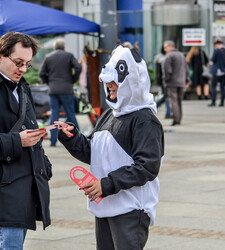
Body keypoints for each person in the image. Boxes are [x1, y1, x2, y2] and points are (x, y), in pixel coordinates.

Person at [55, 45, 164, 250]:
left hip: (130, 208)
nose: (109, 86)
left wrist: (106, 184)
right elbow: (96, 155)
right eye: (107, 81)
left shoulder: (144, 120)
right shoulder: (110, 114)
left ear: (131, 81)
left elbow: (147, 166)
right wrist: (71, 138)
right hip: (105, 205)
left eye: (115, 81)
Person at [0, 32, 52, 249]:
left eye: (28, 64)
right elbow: (18, 137)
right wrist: (17, 141)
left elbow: (26, 128)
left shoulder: (23, 88)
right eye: (18, 62)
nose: (22, 69)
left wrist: (44, 164)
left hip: (23, 188)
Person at [39, 38, 82, 146]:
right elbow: (78, 67)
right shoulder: (69, 56)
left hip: (53, 90)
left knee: (54, 115)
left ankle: (53, 141)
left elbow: (41, 73)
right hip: (67, 90)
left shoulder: (48, 57)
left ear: (54, 48)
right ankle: (77, 139)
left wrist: (49, 82)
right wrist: (73, 79)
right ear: (64, 47)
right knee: (70, 114)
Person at [162, 40, 190, 126]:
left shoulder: (169, 56)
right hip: (181, 82)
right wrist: (187, 80)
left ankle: (176, 119)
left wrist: (165, 80)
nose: (164, 49)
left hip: (172, 82)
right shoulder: (181, 55)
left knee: (173, 101)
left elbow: (168, 71)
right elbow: (186, 69)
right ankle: (179, 118)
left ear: (171, 47)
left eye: (165, 47)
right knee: (179, 101)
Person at [208, 38, 225, 107]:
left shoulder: (217, 51)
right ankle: (222, 102)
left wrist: (211, 58)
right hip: (224, 71)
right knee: (222, 88)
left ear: (217, 44)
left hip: (216, 71)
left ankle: (213, 102)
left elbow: (212, 60)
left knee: (213, 87)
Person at [154, 44, 172, 118]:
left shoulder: (170, 56)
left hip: (169, 80)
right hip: (164, 80)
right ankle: (167, 112)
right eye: (165, 47)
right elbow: (159, 71)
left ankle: (167, 111)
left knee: (166, 96)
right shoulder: (160, 58)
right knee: (166, 96)